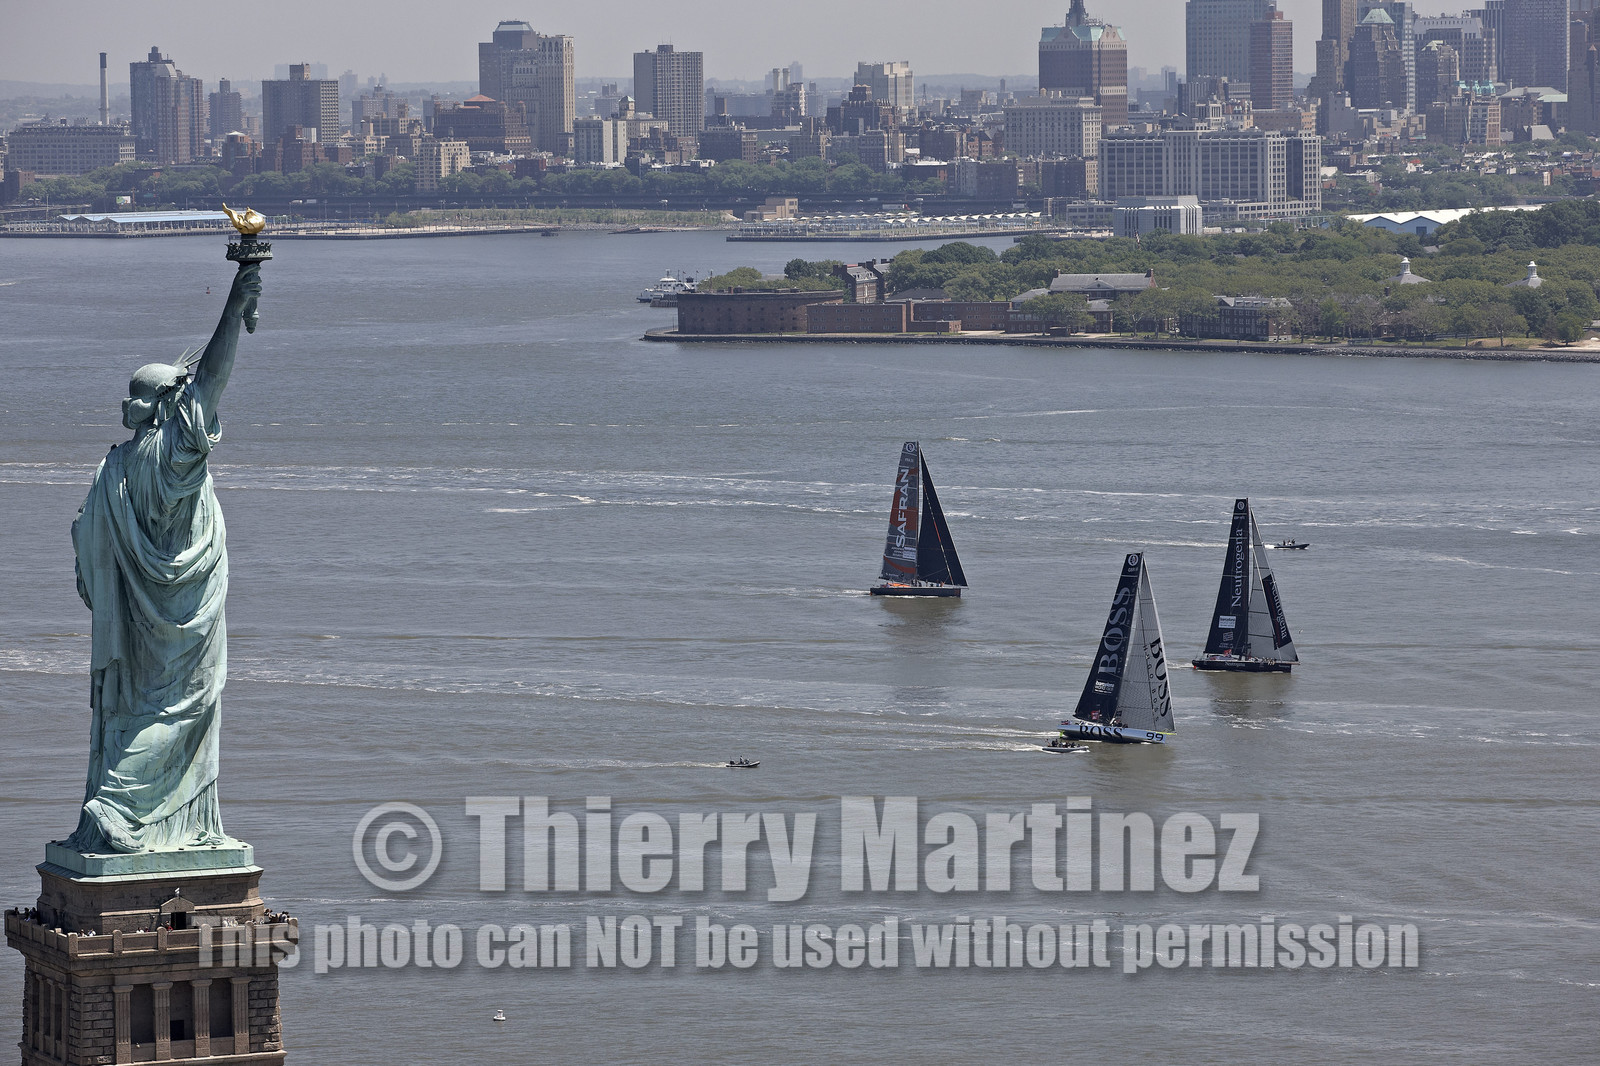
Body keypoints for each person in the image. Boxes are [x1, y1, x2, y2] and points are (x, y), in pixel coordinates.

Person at [65, 262, 261, 854]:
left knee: (138, 707)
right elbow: (213, 380)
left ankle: (159, 818)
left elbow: (83, 541)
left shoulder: (115, 466)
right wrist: (235, 303)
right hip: (185, 611)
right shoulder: (170, 457)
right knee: (182, 706)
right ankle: (117, 804)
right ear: (167, 406)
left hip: (134, 612)